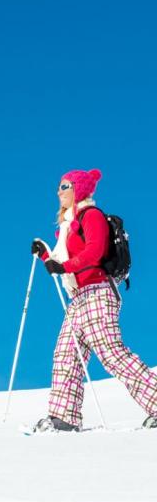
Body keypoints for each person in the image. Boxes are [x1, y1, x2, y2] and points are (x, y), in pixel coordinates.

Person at [31, 168, 157, 432]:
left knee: (111, 353)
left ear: (79, 189)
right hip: (78, 297)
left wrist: (65, 267)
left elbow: (95, 251)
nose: (59, 191)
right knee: (66, 355)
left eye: (64, 186)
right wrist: (45, 255)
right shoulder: (68, 225)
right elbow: (63, 264)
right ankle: (64, 418)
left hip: (98, 292)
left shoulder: (92, 215)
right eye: (59, 186)